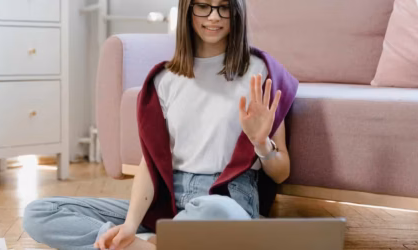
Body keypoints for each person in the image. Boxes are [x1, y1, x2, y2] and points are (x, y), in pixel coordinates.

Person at [22, 0, 299, 249]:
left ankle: (149, 244)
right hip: (167, 202)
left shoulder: (261, 71)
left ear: (236, 11)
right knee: (41, 212)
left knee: (220, 213)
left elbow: (280, 172)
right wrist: (130, 226)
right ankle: (138, 245)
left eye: (223, 7)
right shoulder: (164, 78)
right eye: (204, 6)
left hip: (226, 199)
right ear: (188, 10)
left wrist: (261, 143)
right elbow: (151, 163)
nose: (214, 17)